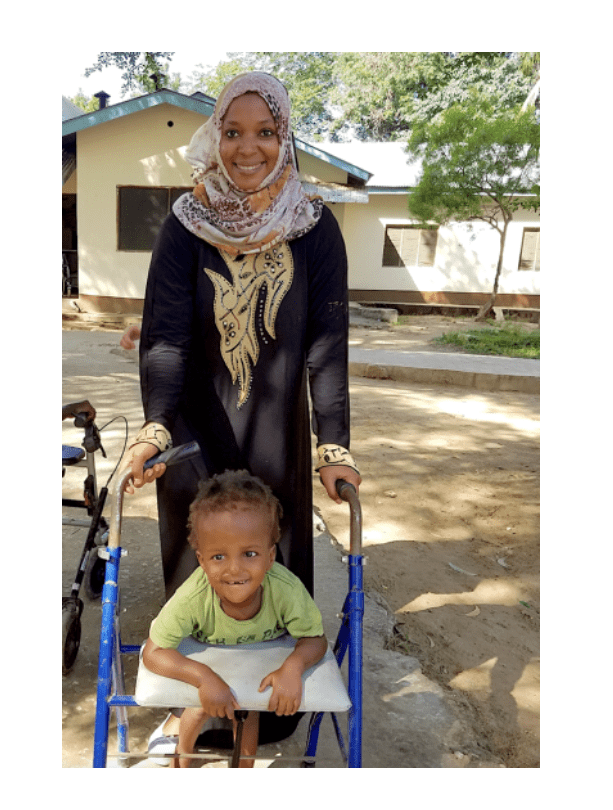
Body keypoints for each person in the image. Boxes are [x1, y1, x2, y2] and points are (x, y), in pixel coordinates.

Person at [121, 72, 361, 743]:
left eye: (264, 132)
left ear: (284, 139)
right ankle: (190, 704)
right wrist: (155, 428)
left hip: (275, 438)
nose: (246, 148)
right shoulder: (185, 226)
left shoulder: (315, 231)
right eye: (232, 131)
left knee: (270, 566)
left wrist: (333, 448)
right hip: (194, 436)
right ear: (215, 135)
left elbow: (326, 348)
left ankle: (266, 710)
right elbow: (164, 338)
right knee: (200, 570)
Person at [141, 470, 327, 767]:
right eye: (218, 557)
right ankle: (181, 764)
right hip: (204, 656)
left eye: (249, 553)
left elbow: (315, 640)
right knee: (198, 707)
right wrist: (203, 678)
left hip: (256, 658)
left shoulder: (287, 589)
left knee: (247, 710)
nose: (234, 570)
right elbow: (153, 653)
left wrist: (293, 667)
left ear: (270, 556)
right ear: (201, 560)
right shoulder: (193, 596)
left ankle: (243, 771)